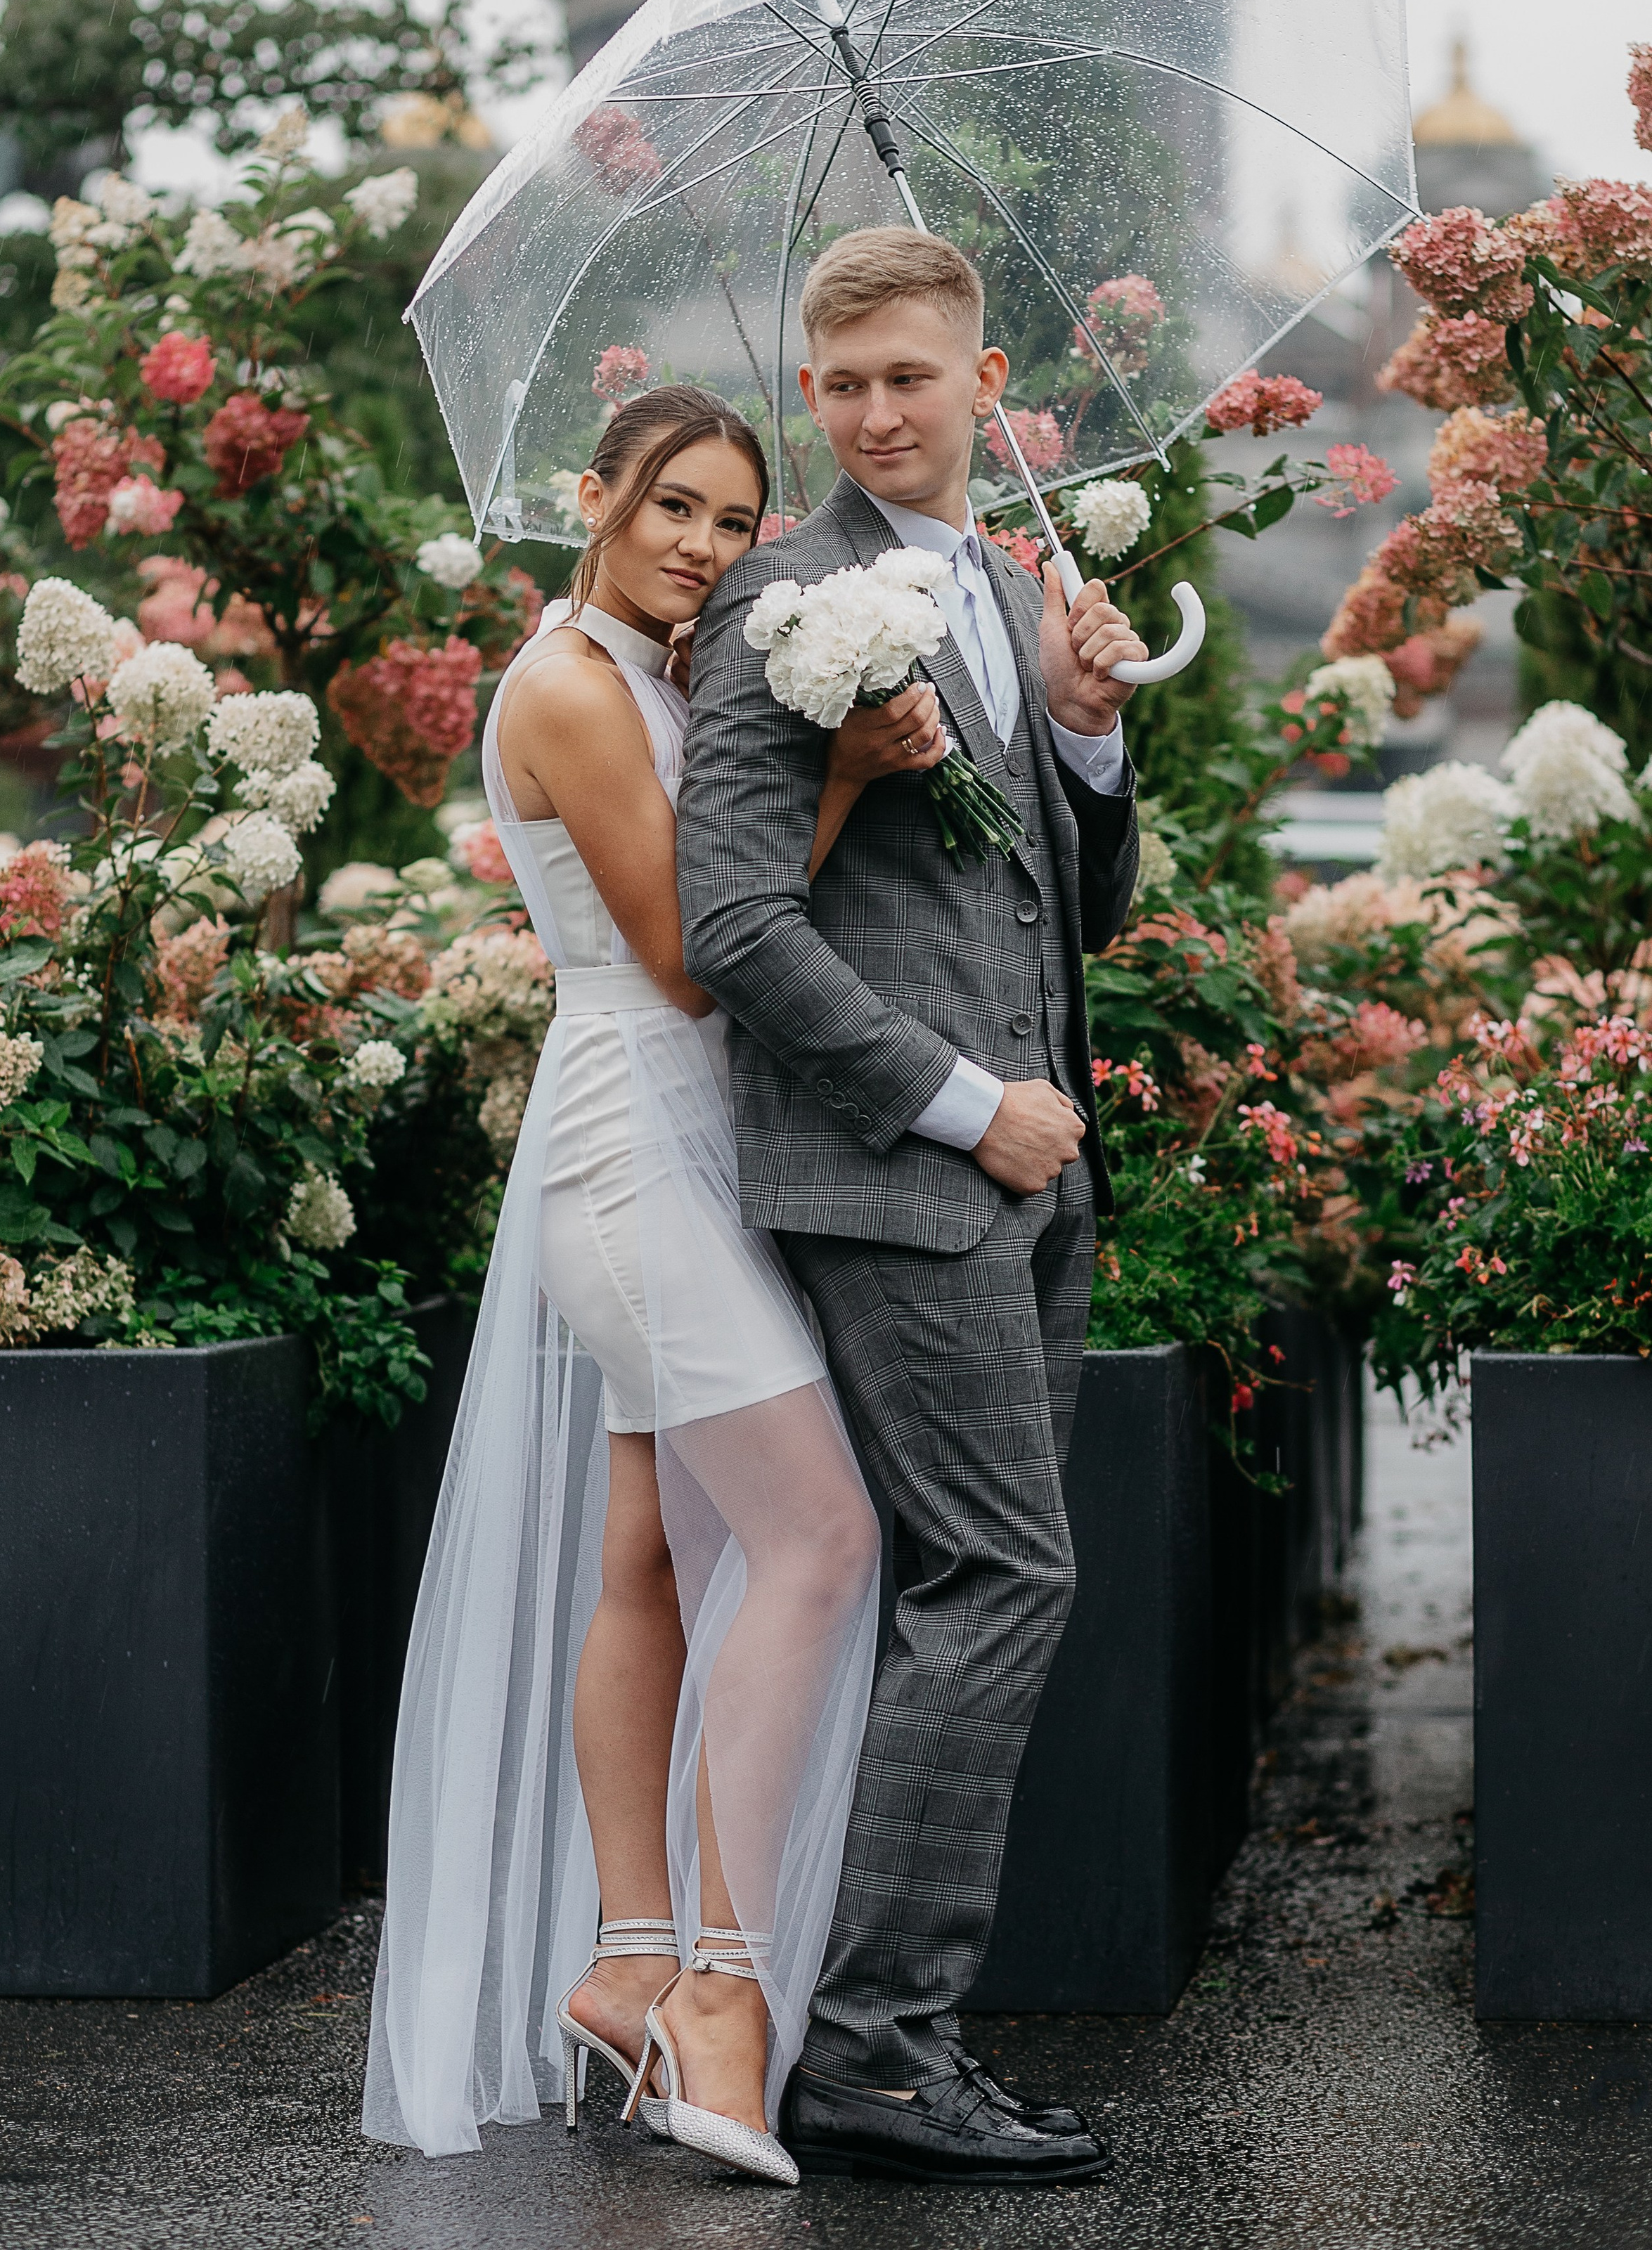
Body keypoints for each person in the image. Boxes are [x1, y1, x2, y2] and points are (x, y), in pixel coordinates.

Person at [363, 384, 942, 2182]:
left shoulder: (658, 672)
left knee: (649, 1562)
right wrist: (841, 776)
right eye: (670, 504)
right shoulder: (563, 684)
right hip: (632, 1145)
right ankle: (718, 1989)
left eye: (731, 518)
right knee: (818, 1536)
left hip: (693, 1143)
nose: (701, 542)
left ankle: (625, 1962)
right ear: (594, 496)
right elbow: (693, 956)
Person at [677, 231, 1146, 2187]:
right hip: (903, 1176)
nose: (878, 414)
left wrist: (1085, 727)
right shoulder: (777, 600)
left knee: (978, 1587)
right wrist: (965, 1112)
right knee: (1002, 1577)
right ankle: (875, 2050)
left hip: (1038, 1178)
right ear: (813, 391)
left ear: (985, 380)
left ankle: (884, 2031)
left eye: (912, 379)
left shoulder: (1015, 591)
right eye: (845, 384)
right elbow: (731, 922)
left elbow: (1077, 906)